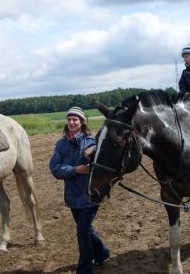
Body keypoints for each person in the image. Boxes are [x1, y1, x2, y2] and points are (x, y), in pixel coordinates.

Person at [49, 107, 110, 274]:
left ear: (81, 122)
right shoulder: (61, 145)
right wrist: (75, 169)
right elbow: (54, 168)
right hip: (72, 196)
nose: (71, 122)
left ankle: (85, 270)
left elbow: (109, 154)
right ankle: (102, 253)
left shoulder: (92, 141)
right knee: (87, 229)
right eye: (69, 119)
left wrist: (95, 149)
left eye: (75, 120)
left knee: (82, 231)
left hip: (91, 194)